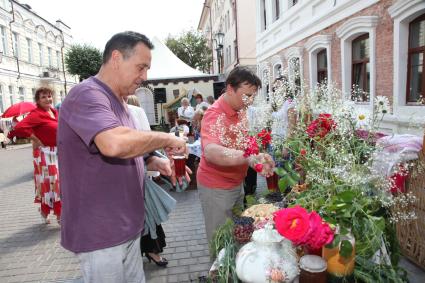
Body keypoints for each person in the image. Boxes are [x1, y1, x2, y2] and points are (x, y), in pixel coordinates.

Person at [57, 31, 186, 283]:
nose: (145, 77)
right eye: (141, 67)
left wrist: (153, 161)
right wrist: (167, 138)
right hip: (100, 233)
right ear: (116, 58)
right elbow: (114, 144)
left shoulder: (120, 101)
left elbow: (127, 148)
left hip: (126, 228)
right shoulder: (87, 94)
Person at [197, 67, 275, 243]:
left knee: (237, 237)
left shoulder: (240, 110)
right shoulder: (214, 115)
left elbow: (244, 146)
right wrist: (247, 157)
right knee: (220, 243)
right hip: (216, 188)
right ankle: (217, 271)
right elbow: (211, 152)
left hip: (236, 184)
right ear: (230, 89)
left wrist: (257, 160)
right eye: (247, 95)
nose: (250, 101)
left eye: (253, 96)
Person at [126, 94, 169, 267]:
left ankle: (149, 251)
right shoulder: (132, 111)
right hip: (129, 177)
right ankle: (149, 252)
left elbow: (147, 147)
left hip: (136, 173)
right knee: (143, 215)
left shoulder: (134, 111)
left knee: (145, 214)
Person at [8, 87, 60, 224]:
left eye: (49, 96)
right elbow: (19, 127)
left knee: (52, 184)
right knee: (54, 183)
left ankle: (44, 210)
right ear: (38, 100)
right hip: (45, 154)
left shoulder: (54, 112)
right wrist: (35, 139)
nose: (48, 99)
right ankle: (60, 214)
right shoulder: (36, 114)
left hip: (58, 153)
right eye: (43, 97)